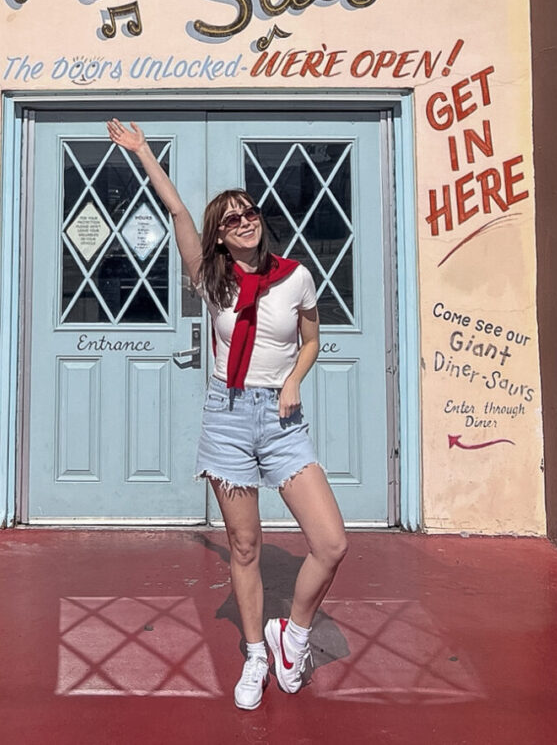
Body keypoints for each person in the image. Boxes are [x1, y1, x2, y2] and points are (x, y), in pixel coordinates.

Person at [106, 118, 348, 710]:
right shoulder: (212, 282)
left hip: (282, 419)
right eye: (232, 219)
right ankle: (254, 653)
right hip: (228, 417)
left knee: (331, 543)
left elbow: (313, 341)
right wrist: (142, 153)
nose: (245, 222)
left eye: (251, 213)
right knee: (245, 546)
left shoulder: (295, 277)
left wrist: (293, 379)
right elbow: (180, 215)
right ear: (220, 236)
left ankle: (291, 634)